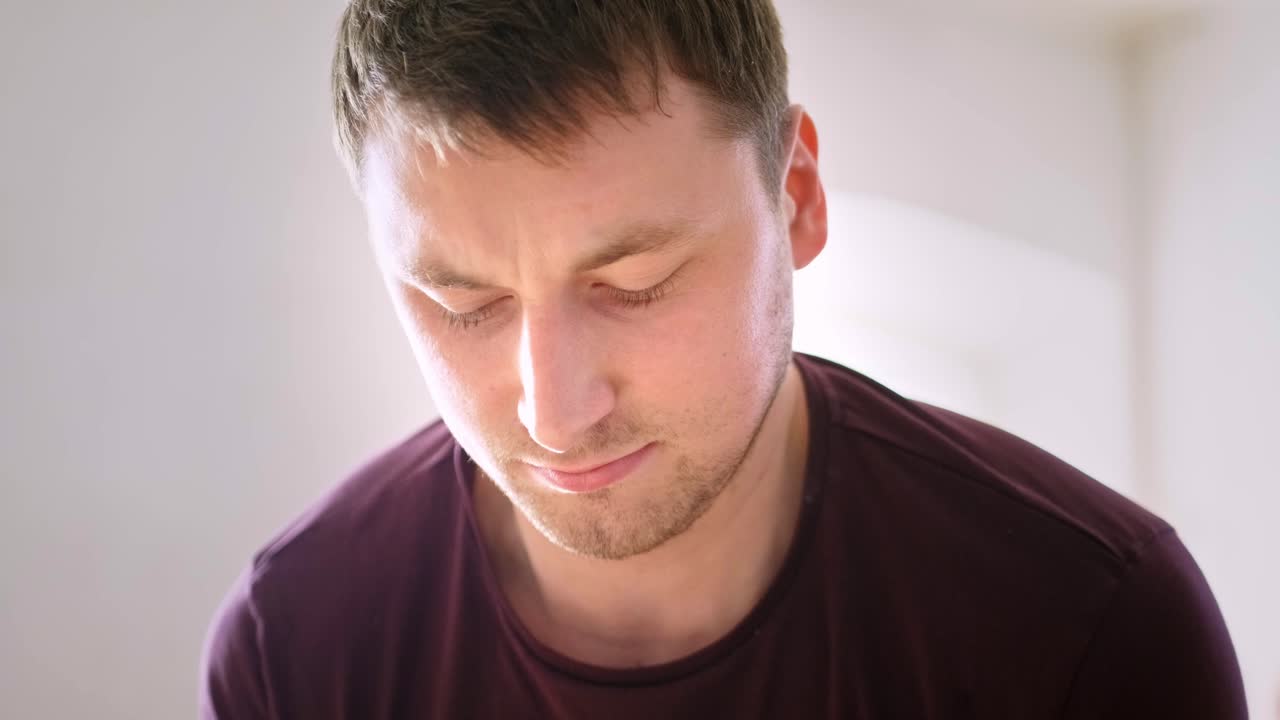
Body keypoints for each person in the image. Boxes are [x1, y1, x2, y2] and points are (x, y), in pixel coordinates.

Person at [200, 1, 1247, 717]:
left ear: (794, 198)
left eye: (635, 280)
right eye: (461, 303)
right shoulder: (297, 648)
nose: (554, 413)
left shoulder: (1085, 626)